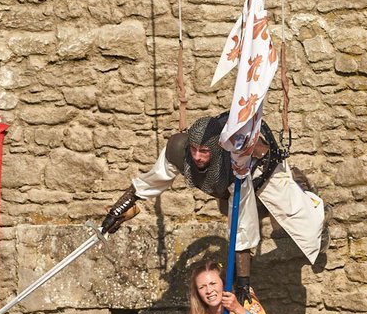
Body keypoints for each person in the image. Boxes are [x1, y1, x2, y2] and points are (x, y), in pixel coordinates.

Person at [99, 111, 325, 298]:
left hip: (262, 170)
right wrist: (118, 211)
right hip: (227, 188)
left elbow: (242, 226)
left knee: (305, 223)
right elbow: (152, 180)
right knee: (226, 208)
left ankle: (303, 189)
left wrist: (244, 284)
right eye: (194, 149)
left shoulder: (235, 166)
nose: (197, 156)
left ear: (216, 150)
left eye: (204, 151)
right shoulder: (179, 149)